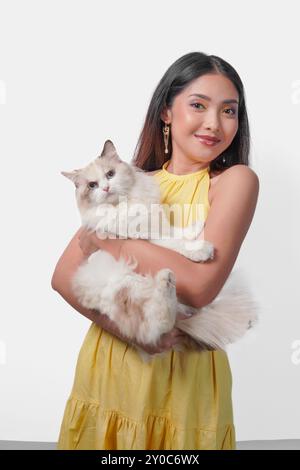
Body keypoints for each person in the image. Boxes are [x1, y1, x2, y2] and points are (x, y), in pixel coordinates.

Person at [52, 51, 259, 450]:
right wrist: (132, 334)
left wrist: (106, 243)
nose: (213, 123)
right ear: (167, 112)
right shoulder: (129, 179)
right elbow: (62, 277)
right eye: (198, 105)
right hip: (113, 361)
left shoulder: (234, 182)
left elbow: (198, 287)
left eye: (229, 111)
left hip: (183, 377)